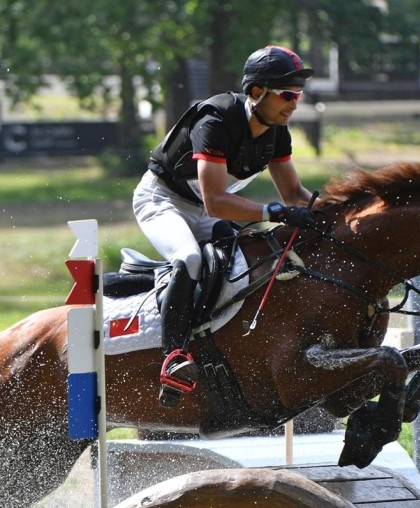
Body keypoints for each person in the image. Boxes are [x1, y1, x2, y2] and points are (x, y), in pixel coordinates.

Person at [134, 45, 319, 406]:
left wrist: (344, 214)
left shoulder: (276, 132)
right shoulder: (216, 120)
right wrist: (274, 212)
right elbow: (217, 201)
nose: (294, 103)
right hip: (163, 201)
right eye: (287, 94)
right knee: (189, 258)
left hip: (206, 207)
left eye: (298, 94)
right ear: (257, 92)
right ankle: (173, 358)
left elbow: (295, 194)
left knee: (247, 262)